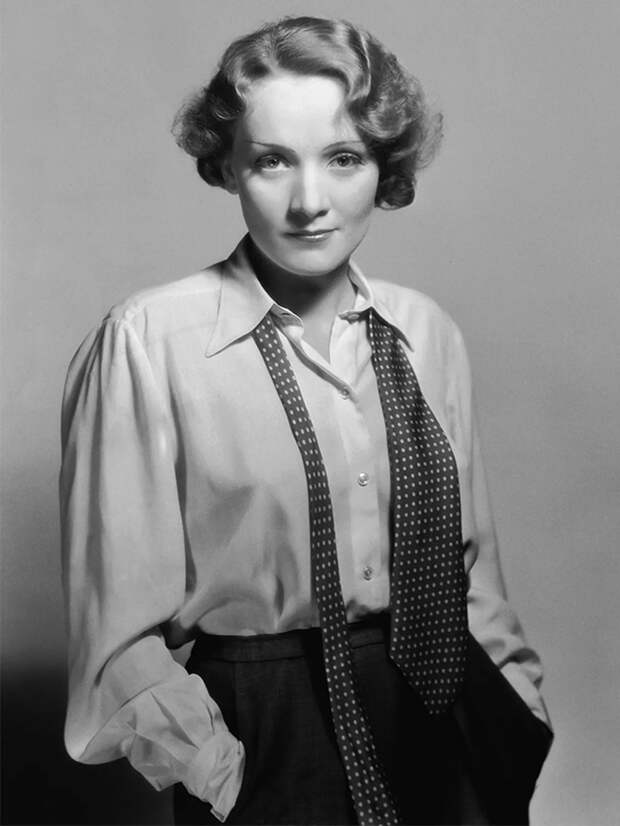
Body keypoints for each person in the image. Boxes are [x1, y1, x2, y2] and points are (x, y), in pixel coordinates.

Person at [59, 15, 552, 826]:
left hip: (450, 726)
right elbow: (117, 638)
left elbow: (475, 573)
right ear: (229, 167)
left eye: (343, 158)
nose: (310, 201)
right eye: (272, 160)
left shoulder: (425, 331)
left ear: (383, 166)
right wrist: (225, 777)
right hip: (267, 733)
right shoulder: (146, 343)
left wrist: (518, 713)